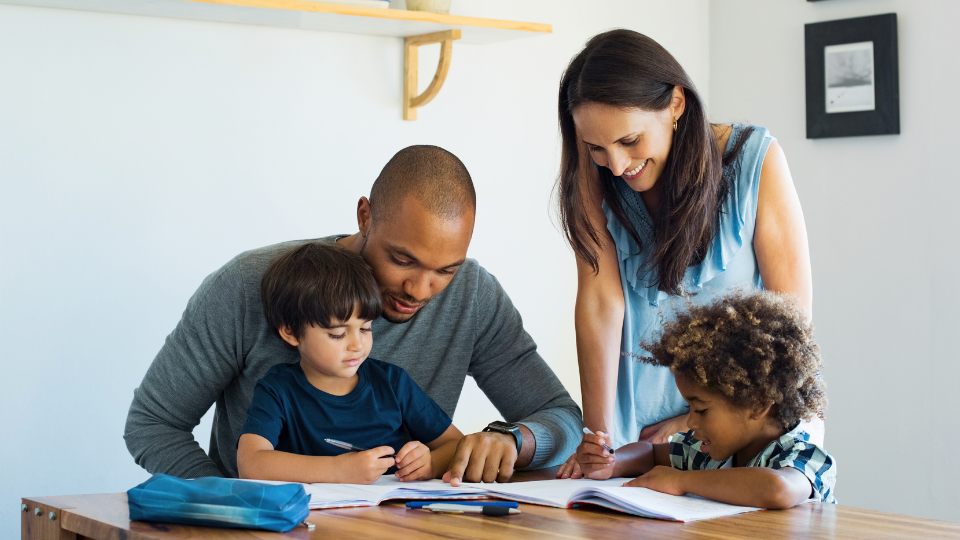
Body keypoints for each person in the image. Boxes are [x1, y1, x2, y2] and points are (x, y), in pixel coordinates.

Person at [124, 145, 581, 484]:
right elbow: (153, 424)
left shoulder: (473, 296)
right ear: (365, 216)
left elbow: (561, 418)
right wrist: (233, 506)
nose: (420, 290)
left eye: (446, 270)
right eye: (402, 260)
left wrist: (513, 440)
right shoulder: (247, 286)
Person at [553, 29, 816, 477]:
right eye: (597, 147)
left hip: (740, 434)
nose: (616, 165)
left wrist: (694, 421)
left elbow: (790, 323)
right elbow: (600, 304)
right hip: (632, 439)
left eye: (629, 141)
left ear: (676, 104)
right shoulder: (594, 177)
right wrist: (598, 438)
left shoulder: (756, 160)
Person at [575, 290, 836, 508]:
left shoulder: (803, 454)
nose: (690, 422)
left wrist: (680, 481)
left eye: (701, 410)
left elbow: (776, 489)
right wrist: (612, 463)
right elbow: (651, 454)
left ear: (758, 403)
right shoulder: (709, 452)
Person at [237, 242, 462, 484]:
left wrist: (431, 463)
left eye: (365, 328)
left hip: (391, 506)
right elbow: (251, 463)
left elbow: (457, 444)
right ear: (291, 332)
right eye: (338, 334)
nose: (357, 345)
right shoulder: (278, 390)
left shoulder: (392, 383)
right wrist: (338, 470)